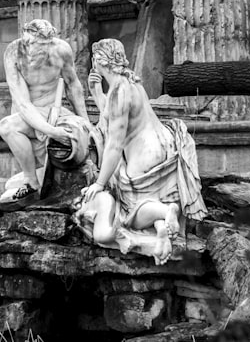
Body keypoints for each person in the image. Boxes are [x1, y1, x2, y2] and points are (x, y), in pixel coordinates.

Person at [75, 38, 207, 264]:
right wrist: (96, 92)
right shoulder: (132, 83)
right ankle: (162, 226)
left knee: (130, 211)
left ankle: (165, 212)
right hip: (164, 143)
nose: (92, 63)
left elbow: (115, 145)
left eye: (94, 58)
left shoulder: (118, 92)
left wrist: (99, 183)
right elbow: (114, 118)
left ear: (100, 61)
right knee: (150, 197)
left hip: (143, 154)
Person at [0, 19, 93, 211]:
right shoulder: (14, 53)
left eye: (45, 45)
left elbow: (73, 84)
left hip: (54, 112)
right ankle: (31, 182)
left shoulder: (61, 50)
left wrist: (86, 122)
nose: (40, 50)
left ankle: (38, 180)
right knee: (7, 126)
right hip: (27, 115)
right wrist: (51, 131)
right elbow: (23, 103)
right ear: (26, 38)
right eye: (36, 44)